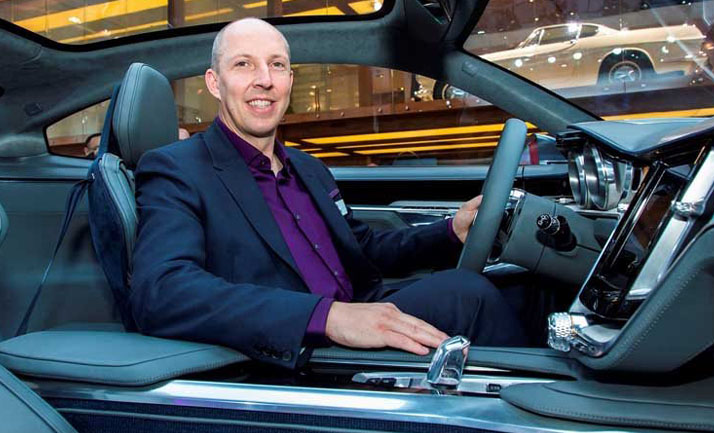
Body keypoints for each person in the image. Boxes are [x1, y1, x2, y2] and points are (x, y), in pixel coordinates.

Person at [131, 18, 527, 369]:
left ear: (290, 81)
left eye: (277, 65)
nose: (264, 79)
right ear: (214, 83)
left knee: (522, 290)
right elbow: (163, 291)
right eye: (243, 64)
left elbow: (363, 248)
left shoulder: (309, 169)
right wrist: (327, 317)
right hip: (305, 349)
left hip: (362, 305)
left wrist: (450, 231)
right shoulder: (177, 168)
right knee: (468, 294)